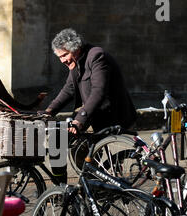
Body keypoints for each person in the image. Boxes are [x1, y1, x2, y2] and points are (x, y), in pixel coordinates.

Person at [42, 28, 137, 183]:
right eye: (60, 57)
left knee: (80, 149)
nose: (63, 60)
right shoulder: (75, 64)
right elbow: (68, 90)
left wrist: (79, 120)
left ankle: (94, 184)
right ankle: (60, 187)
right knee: (56, 140)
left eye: (65, 55)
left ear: (76, 48)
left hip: (109, 116)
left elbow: (98, 92)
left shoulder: (97, 56)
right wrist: (49, 111)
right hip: (91, 114)